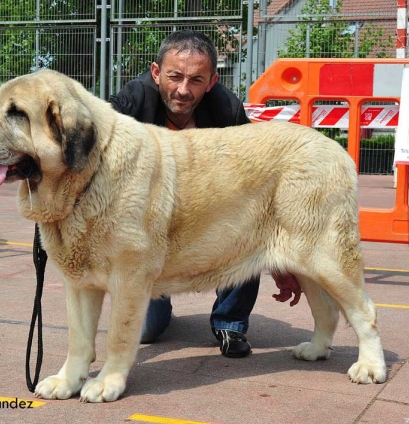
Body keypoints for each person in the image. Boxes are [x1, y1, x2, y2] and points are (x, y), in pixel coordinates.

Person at [110, 30, 300, 358]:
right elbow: (93, 138)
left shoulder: (227, 110)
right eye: (174, 76)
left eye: (196, 80)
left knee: (248, 224)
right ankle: (157, 302)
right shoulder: (132, 102)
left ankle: (230, 322)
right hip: (150, 225)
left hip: (210, 214)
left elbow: (258, 185)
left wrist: (279, 258)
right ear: (156, 73)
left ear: (211, 81)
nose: (183, 90)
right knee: (147, 332)